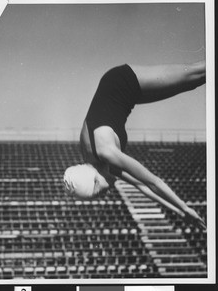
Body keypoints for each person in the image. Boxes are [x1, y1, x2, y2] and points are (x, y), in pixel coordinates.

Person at [63, 61, 206, 229]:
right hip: (125, 97)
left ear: (95, 179)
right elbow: (141, 185)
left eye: (101, 191)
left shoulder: (107, 152)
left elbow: (154, 181)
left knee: (195, 74)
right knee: (193, 83)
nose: (106, 193)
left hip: (121, 81)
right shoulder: (102, 165)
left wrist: (185, 207)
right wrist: (181, 213)